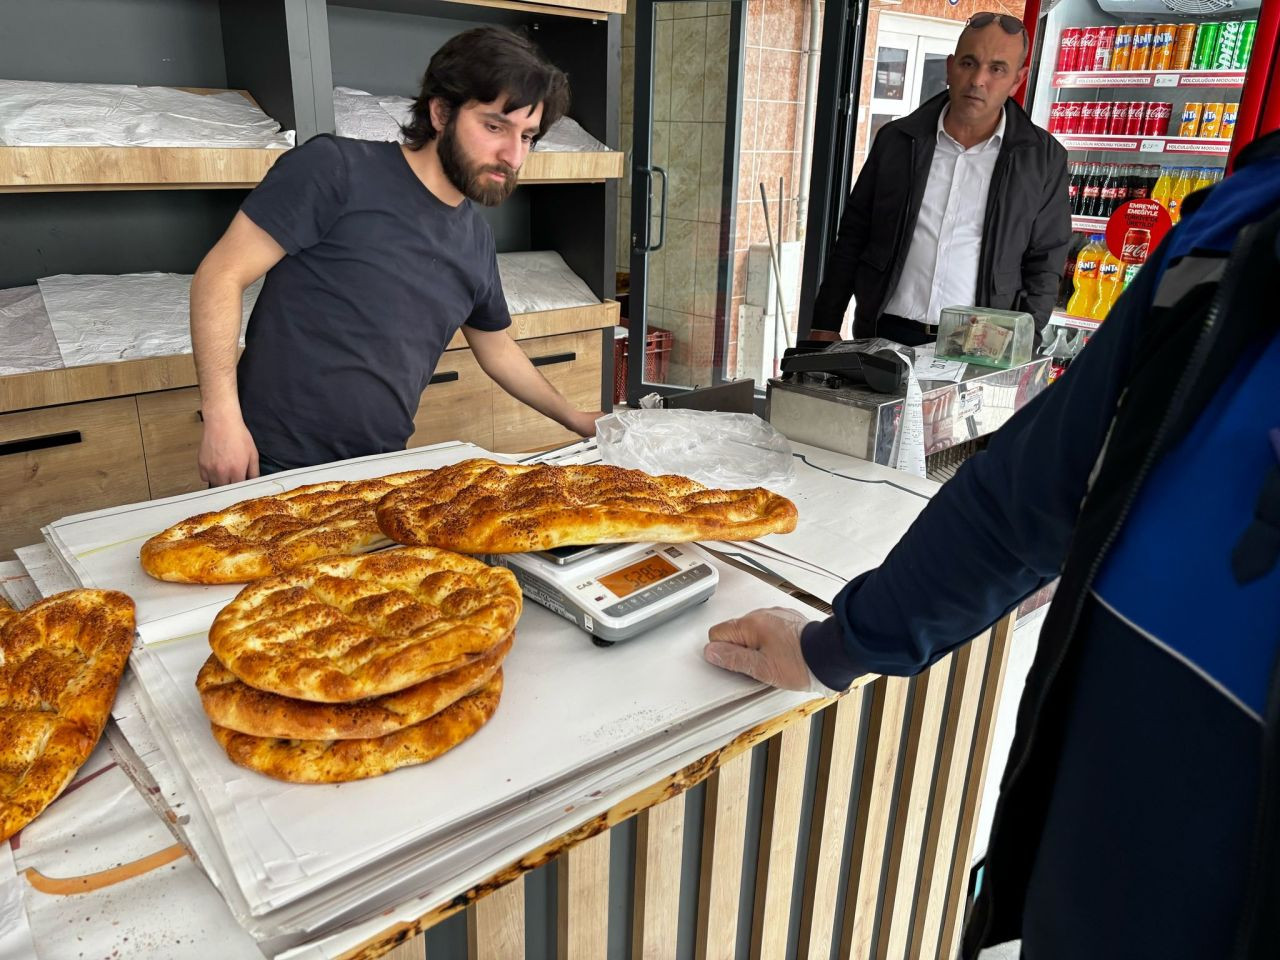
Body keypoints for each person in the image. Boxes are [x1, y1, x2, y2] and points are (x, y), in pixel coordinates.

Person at [705, 129, 1280, 959]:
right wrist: (837, 645)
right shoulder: (1231, 233)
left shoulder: (1052, 164)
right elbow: (1026, 497)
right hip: (1083, 890)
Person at [190, 26, 604, 486]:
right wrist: (222, 418)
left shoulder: (475, 238)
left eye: (528, 137)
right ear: (442, 111)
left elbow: (498, 350)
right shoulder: (335, 169)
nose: (512, 155)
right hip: (268, 464)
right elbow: (220, 275)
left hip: (377, 473)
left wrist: (578, 419)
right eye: (494, 126)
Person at [807, 12, 1070, 346]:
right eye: (968, 63)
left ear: (1018, 80)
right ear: (949, 67)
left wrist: (1024, 340)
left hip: (981, 345)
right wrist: (825, 322)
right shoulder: (897, 141)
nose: (978, 80)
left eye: (997, 69)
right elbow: (853, 235)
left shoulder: (1043, 159)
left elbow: (1045, 262)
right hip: (887, 333)